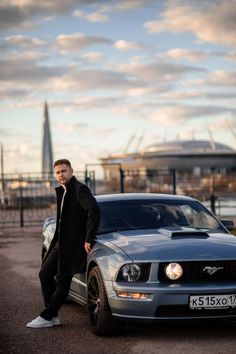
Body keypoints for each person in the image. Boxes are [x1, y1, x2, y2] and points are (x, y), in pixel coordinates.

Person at [27, 159, 100, 328]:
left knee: (63, 279)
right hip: (60, 243)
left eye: (64, 171)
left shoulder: (79, 188)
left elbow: (94, 209)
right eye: (58, 172)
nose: (61, 175)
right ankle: (52, 316)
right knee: (44, 274)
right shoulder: (64, 190)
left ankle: (47, 316)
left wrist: (89, 237)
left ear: (71, 171)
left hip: (73, 245)